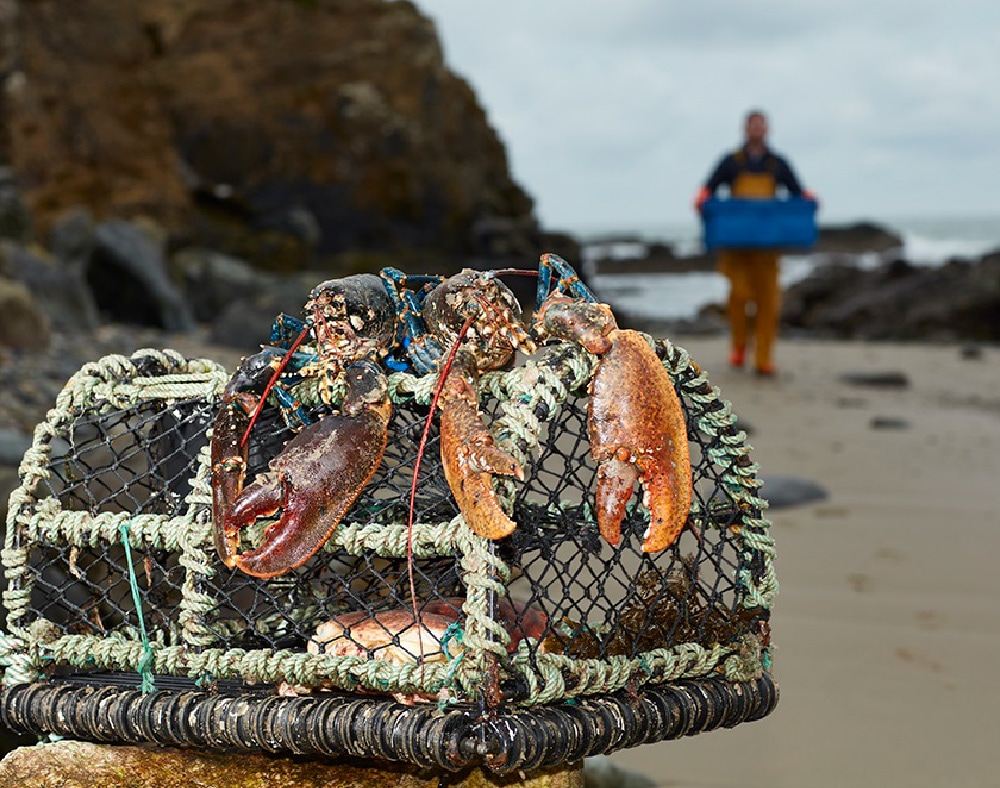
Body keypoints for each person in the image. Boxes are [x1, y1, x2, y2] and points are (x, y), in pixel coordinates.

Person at [694, 109, 815, 377]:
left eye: (761, 125)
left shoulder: (777, 163)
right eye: (753, 125)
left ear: (767, 129)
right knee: (738, 297)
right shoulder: (731, 162)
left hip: (768, 250)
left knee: (769, 301)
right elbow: (708, 188)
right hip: (735, 248)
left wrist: (809, 200)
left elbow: (797, 192)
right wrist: (701, 198)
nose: (757, 129)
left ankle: (763, 358)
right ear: (745, 129)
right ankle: (738, 347)